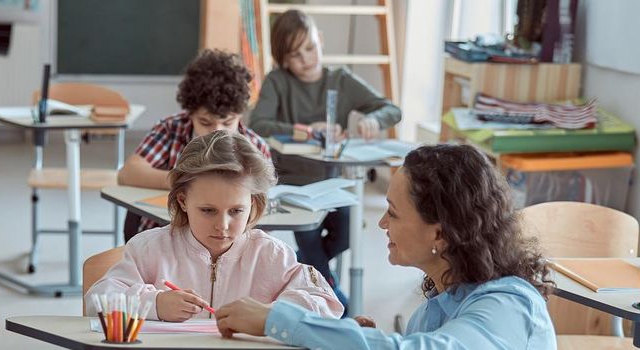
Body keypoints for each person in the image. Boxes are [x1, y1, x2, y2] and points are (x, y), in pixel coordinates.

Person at [215, 144, 557, 349]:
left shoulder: (509, 303)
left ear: (440, 234)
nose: (382, 224)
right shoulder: (431, 311)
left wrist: (286, 321)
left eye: (392, 213)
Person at [87, 131, 343, 321]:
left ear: (253, 204)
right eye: (208, 210)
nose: (222, 225)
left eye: (236, 211)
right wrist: (155, 303)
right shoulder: (149, 248)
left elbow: (327, 303)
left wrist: (268, 314)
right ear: (183, 200)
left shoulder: (271, 254)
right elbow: (96, 301)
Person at [249, 9, 403, 304]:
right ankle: (332, 294)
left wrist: (375, 120)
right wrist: (304, 131)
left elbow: (391, 109)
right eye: (295, 55)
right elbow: (258, 124)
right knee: (308, 230)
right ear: (283, 59)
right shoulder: (278, 81)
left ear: (319, 40)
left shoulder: (340, 80)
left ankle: (301, 266)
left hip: (331, 183)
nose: (306, 59)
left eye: (309, 47)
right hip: (289, 183)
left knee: (348, 228)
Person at [117, 49, 271, 241]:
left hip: (224, 245)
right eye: (205, 122)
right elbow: (128, 173)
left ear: (240, 114)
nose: (217, 131)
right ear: (190, 113)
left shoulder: (256, 146)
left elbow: (259, 214)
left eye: (227, 122)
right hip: (163, 237)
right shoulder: (171, 130)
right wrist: (190, 184)